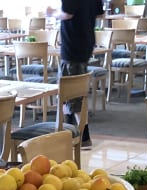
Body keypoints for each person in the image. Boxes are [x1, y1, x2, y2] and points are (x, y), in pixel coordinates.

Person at [50, 0, 103, 147]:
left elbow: (67, 13)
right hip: (86, 42)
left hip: (72, 45)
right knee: (70, 94)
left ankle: (83, 136)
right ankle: (69, 132)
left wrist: (53, 13)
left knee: (71, 94)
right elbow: (100, 14)